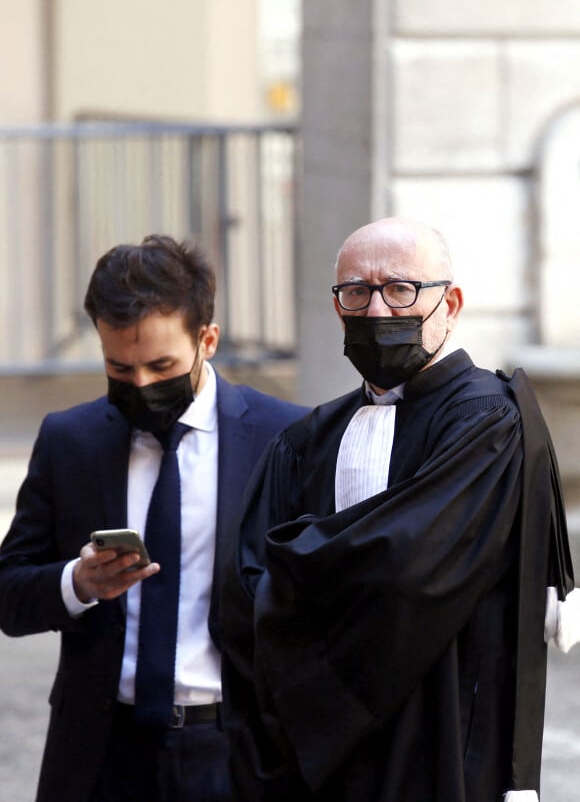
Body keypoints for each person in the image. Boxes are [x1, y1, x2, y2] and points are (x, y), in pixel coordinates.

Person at [221, 217, 576, 802]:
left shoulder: (488, 421)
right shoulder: (309, 437)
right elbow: (244, 587)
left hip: (443, 726)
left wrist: (301, 580)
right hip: (324, 759)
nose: (379, 311)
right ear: (338, 308)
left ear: (450, 303)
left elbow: (406, 569)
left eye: (401, 289)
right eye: (356, 292)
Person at [0, 234, 308, 802]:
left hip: (237, 753)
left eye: (161, 365)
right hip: (100, 753)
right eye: (120, 367)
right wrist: (76, 583)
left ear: (207, 340)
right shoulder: (70, 440)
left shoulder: (284, 436)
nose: (140, 384)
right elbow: (9, 594)